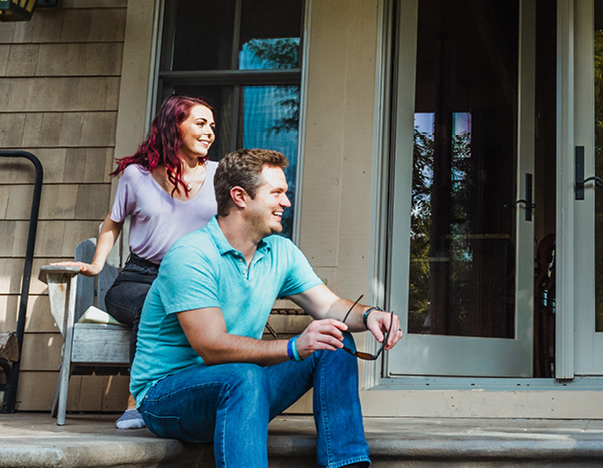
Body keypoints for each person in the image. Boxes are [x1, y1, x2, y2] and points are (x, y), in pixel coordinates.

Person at [130, 148, 402, 468]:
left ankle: (346, 464)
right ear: (240, 197)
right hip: (167, 398)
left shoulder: (280, 252)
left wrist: (370, 315)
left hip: (243, 388)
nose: (286, 202)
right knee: (244, 376)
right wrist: (293, 347)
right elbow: (211, 346)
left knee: (335, 340)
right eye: (277, 193)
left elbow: (328, 305)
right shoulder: (191, 255)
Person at [57, 94, 218, 429]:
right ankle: (137, 402)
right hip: (139, 279)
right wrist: (97, 265)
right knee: (154, 304)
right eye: (201, 124)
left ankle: (200, 400)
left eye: (212, 126)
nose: (209, 133)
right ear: (175, 126)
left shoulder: (219, 176)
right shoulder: (137, 175)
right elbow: (113, 221)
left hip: (193, 278)